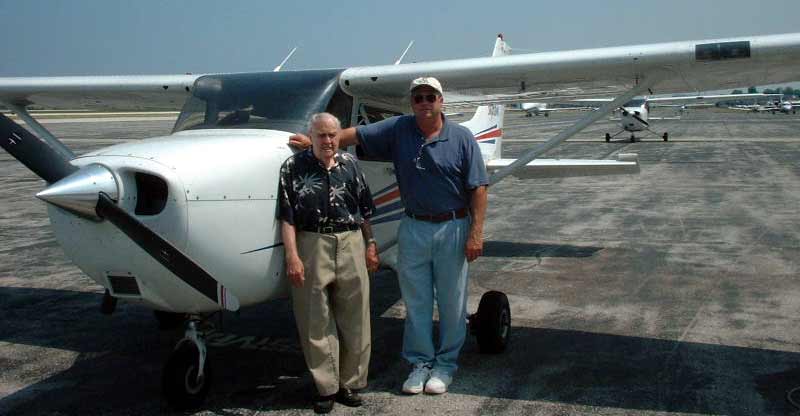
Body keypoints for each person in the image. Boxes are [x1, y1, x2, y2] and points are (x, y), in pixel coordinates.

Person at [290, 77, 489, 395]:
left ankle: (446, 365)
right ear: (412, 103)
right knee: (416, 302)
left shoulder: (462, 137)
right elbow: (354, 134)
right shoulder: (400, 128)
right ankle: (420, 362)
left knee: (452, 302)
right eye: (418, 98)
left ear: (441, 101)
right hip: (412, 226)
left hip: (453, 226)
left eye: (430, 97)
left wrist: (476, 234)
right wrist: (322, 142)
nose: (424, 102)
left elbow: (478, 187)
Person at [278, 112, 379, 413]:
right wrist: (293, 256)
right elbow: (287, 217)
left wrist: (370, 245)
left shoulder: (350, 165)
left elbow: (364, 211)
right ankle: (326, 387)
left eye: (333, 135)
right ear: (311, 136)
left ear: (339, 136)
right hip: (312, 242)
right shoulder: (293, 167)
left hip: (350, 241)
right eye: (321, 135)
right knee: (315, 319)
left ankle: (350, 383)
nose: (328, 141)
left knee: (355, 316)